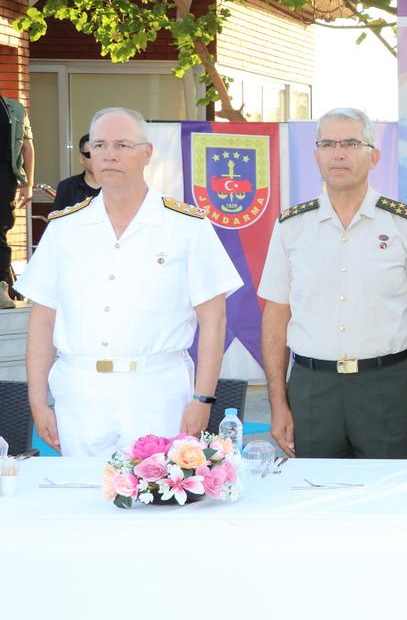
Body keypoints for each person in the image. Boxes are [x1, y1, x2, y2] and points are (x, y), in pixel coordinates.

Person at [15, 107, 242, 456]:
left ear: (147, 153)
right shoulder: (64, 229)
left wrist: (202, 398)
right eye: (100, 144)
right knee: (83, 498)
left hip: (157, 390)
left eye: (122, 144)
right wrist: (37, 400)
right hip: (81, 392)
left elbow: (214, 319)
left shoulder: (186, 227)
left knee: (161, 498)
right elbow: (43, 319)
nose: (109, 154)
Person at [259, 107, 407, 459]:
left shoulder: (405, 225)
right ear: (316, 154)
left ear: (373, 156)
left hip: (386, 388)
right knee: (311, 496)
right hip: (311, 389)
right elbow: (276, 316)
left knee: (388, 500)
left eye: (350, 143)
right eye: (328, 144)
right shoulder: (291, 227)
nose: (338, 153)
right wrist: (277, 402)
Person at [1, 94, 34, 307]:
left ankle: (1, 287)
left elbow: (27, 149)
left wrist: (28, 184)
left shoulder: (14, 109)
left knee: (0, 230)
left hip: (4, 177)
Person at [52, 133, 102, 211]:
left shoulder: (119, 186)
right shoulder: (66, 187)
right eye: (89, 154)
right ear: (81, 158)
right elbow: (56, 221)